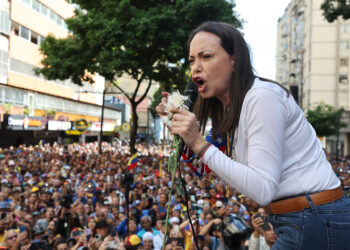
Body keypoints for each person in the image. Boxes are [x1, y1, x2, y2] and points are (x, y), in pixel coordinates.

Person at [156, 21, 350, 249]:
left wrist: (198, 142)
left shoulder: (261, 97)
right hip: (299, 218)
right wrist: (179, 130)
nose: (195, 68)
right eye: (191, 60)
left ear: (235, 60)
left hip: (313, 217)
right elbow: (203, 168)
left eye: (206, 56)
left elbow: (263, 190)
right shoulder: (230, 111)